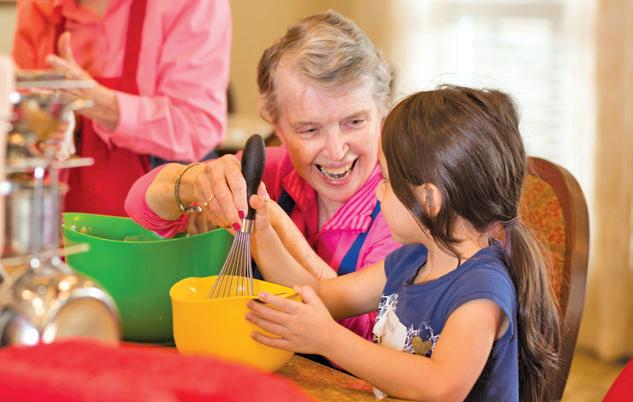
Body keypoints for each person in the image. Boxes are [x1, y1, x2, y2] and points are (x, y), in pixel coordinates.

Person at [245, 86, 561, 401]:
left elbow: (442, 385)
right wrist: (263, 236)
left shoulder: (482, 289)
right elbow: (321, 294)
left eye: (386, 181)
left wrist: (329, 339)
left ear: (429, 199)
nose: (378, 192)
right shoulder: (411, 260)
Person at [125, 11, 400, 341]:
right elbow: (141, 209)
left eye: (354, 122)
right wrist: (192, 181)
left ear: (383, 111)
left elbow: (376, 333)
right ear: (276, 125)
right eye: (309, 129)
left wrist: (274, 228)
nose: (336, 150)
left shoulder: (403, 207)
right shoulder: (271, 171)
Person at [12, 0, 231, 216]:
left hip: (164, 227)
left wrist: (100, 104)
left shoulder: (192, 4)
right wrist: (44, 124)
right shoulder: (36, 7)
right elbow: (21, 119)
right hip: (58, 219)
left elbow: (198, 128)